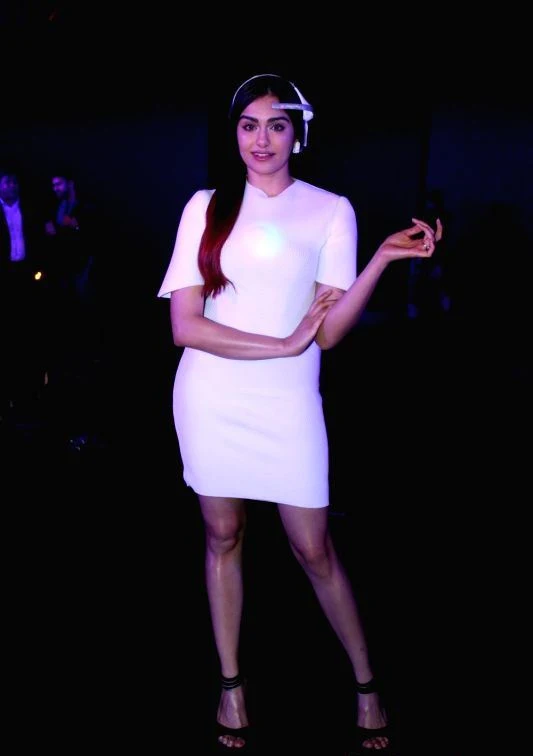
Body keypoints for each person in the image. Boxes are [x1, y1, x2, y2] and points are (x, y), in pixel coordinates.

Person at [157, 73, 443, 753]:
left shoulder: (331, 211)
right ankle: (231, 684)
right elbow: (185, 327)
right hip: (210, 395)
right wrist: (283, 343)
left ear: (298, 133)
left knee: (313, 547)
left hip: (288, 400)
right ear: (234, 133)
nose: (261, 140)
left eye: (277, 125)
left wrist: (380, 259)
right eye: (248, 125)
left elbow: (329, 332)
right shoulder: (205, 207)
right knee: (222, 535)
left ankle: (367, 683)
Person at [40, 170, 103, 450]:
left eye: (59, 183)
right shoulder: (57, 207)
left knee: (83, 326)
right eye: (52, 185)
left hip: (83, 274)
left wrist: (74, 226)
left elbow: (94, 237)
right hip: (64, 277)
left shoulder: (84, 207)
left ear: (69, 183)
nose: (55, 188)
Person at [0, 169, 46, 422]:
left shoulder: (29, 209)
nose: (10, 186)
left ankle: (32, 388)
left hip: (26, 273)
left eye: (13, 182)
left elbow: (38, 238)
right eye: (5, 182)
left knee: (29, 326)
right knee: (9, 329)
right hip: (6, 274)